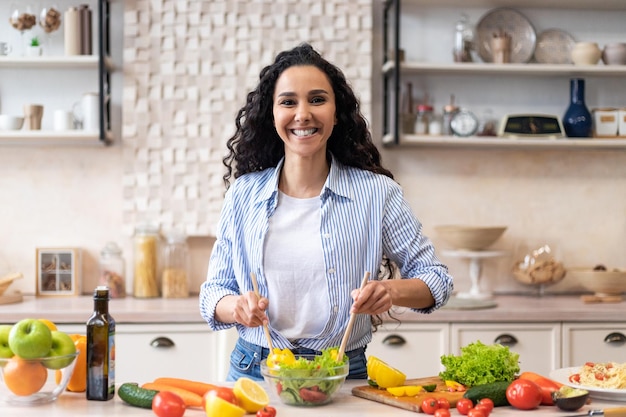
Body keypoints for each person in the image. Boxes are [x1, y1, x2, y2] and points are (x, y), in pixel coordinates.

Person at [199, 42, 453, 381]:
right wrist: (238, 308)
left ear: (336, 113)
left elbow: (437, 280)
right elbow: (214, 291)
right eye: (288, 102)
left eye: (317, 100)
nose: (302, 114)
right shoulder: (243, 194)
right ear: (271, 114)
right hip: (255, 369)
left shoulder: (376, 194)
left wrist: (390, 291)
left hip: (343, 371)